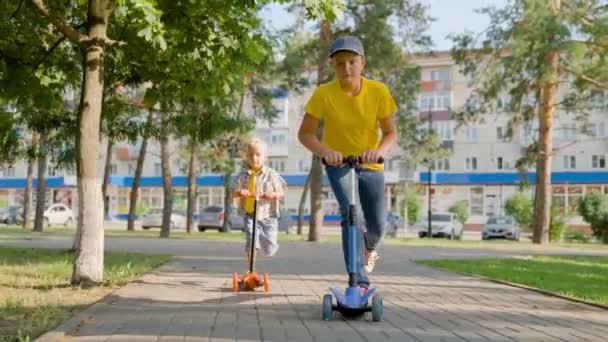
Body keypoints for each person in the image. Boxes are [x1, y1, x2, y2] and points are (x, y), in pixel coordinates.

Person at [298, 36, 397, 290]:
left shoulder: (378, 91)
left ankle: (370, 245)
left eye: (352, 61)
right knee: (351, 214)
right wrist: (325, 151)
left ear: (362, 62)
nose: (347, 68)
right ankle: (358, 280)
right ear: (333, 64)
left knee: (377, 223)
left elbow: (390, 133)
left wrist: (377, 151)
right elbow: (305, 133)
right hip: (338, 164)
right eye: (340, 63)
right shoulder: (324, 94)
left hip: (370, 164)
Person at [232, 138, 287, 261]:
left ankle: (265, 239)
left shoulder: (271, 174)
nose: (254, 158)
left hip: (268, 216)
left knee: (269, 248)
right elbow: (233, 193)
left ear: (265, 157)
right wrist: (240, 192)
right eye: (250, 155)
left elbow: (281, 191)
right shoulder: (243, 174)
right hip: (250, 214)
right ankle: (251, 271)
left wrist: (272, 195)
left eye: (258, 155)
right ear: (247, 157)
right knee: (251, 241)